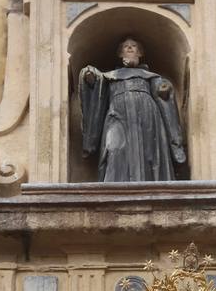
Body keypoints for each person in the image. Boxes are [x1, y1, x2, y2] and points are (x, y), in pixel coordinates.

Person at [79, 36, 186, 182]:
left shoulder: (150, 76)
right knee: (114, 147)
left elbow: (162, 90)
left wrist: (164, 88)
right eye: (126, 46)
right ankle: (114, 187)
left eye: (134, 46)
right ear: (120, 54)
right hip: (117, 115)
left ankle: (151, 186)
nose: (130, 47)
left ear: (140, 53)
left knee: (149, 151)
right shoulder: (109, 77)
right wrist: (89, 75)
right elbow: (96, 85)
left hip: (147, 117)